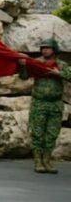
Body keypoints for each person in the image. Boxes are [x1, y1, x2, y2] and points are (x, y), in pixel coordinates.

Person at [19, 39, 71, 174]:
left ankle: (47, 160)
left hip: (55, 104)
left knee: (52, 134)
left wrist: (59, 73)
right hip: (39, 103)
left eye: (48, 48)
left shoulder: (61, 65)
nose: (45, 50)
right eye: (43, 48)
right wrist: (23, 65)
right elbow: (23, 77)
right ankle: (38, 160)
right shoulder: (36, 62)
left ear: (54, 49)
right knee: (37, 133)